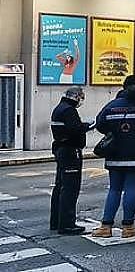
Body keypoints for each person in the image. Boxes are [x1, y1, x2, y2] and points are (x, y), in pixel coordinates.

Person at [91, 76, 135, 239]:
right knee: (131, 189)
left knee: (114, 189)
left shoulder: (112, 106)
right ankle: (128, 227)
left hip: (115, 155)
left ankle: (106, 226)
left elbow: (100, 124)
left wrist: (115, 131)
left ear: (123, 88)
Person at [50, 87, 92, 235]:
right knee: (70, 189)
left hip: (61, 150)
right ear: (75, 97)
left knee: (60, 187)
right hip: (70, 151)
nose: (81, 101)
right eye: (80, 97)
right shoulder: (69, 111)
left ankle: (56, 221)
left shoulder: (59, 108)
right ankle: (67, 224)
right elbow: (75, 129)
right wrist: (88, 126)